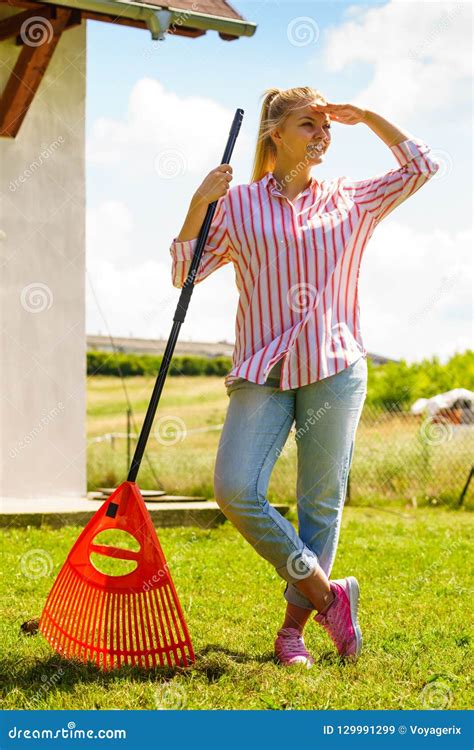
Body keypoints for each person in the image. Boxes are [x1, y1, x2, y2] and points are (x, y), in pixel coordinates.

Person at [169, 86, 439, 668]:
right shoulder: (237, 204)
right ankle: (328, 596)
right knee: (235, 489)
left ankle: (293, 633)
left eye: (326, 126)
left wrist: (366, 116)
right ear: (275, 134)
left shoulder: (352, 199)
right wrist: (198, 204)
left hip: (334, 366)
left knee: (320, 504)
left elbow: (423, 165)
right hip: (262, 369)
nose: (322, 134)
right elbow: (184, 274)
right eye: (307, 124)